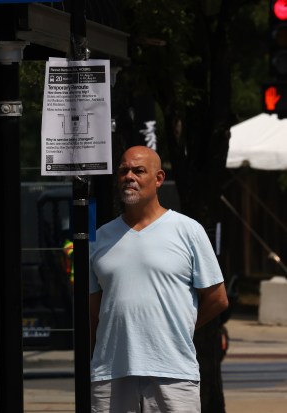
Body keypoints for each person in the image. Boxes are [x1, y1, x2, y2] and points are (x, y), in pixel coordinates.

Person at [89, 146, 229, 412]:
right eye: (123, 171)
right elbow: (93, 312)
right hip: (111, 373)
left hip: (173, 371)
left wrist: (178, 328)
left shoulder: (188, 231)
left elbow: (217, 299)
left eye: (138, 170)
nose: (129, 176)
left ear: (159, 178)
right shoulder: (100, 238)